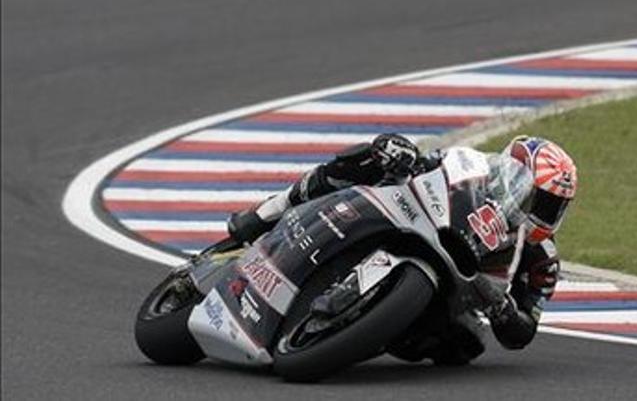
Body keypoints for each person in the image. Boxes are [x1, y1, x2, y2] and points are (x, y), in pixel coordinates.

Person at [226, 133, 577, 357]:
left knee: (467, 343)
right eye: (537, 199)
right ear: (508, 171)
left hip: (455, 293)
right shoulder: (470, 165)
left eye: (551, 207)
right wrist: (399, 152)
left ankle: (367, 328)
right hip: (420, 220)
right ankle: (268, 210)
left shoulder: (542, 260)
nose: (539, 212)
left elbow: (523, 332)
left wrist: (505, 311)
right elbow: (428, 163)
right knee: (367, 158)